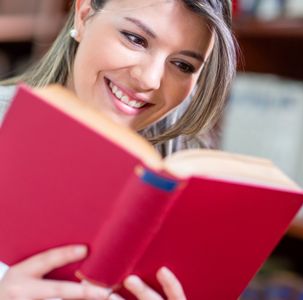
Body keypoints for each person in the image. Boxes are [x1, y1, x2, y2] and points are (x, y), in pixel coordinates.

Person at [0, 0, 237, 299]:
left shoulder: (180, 189)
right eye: (135, 39)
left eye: (182, 65)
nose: (149, 79)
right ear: (85, 14)